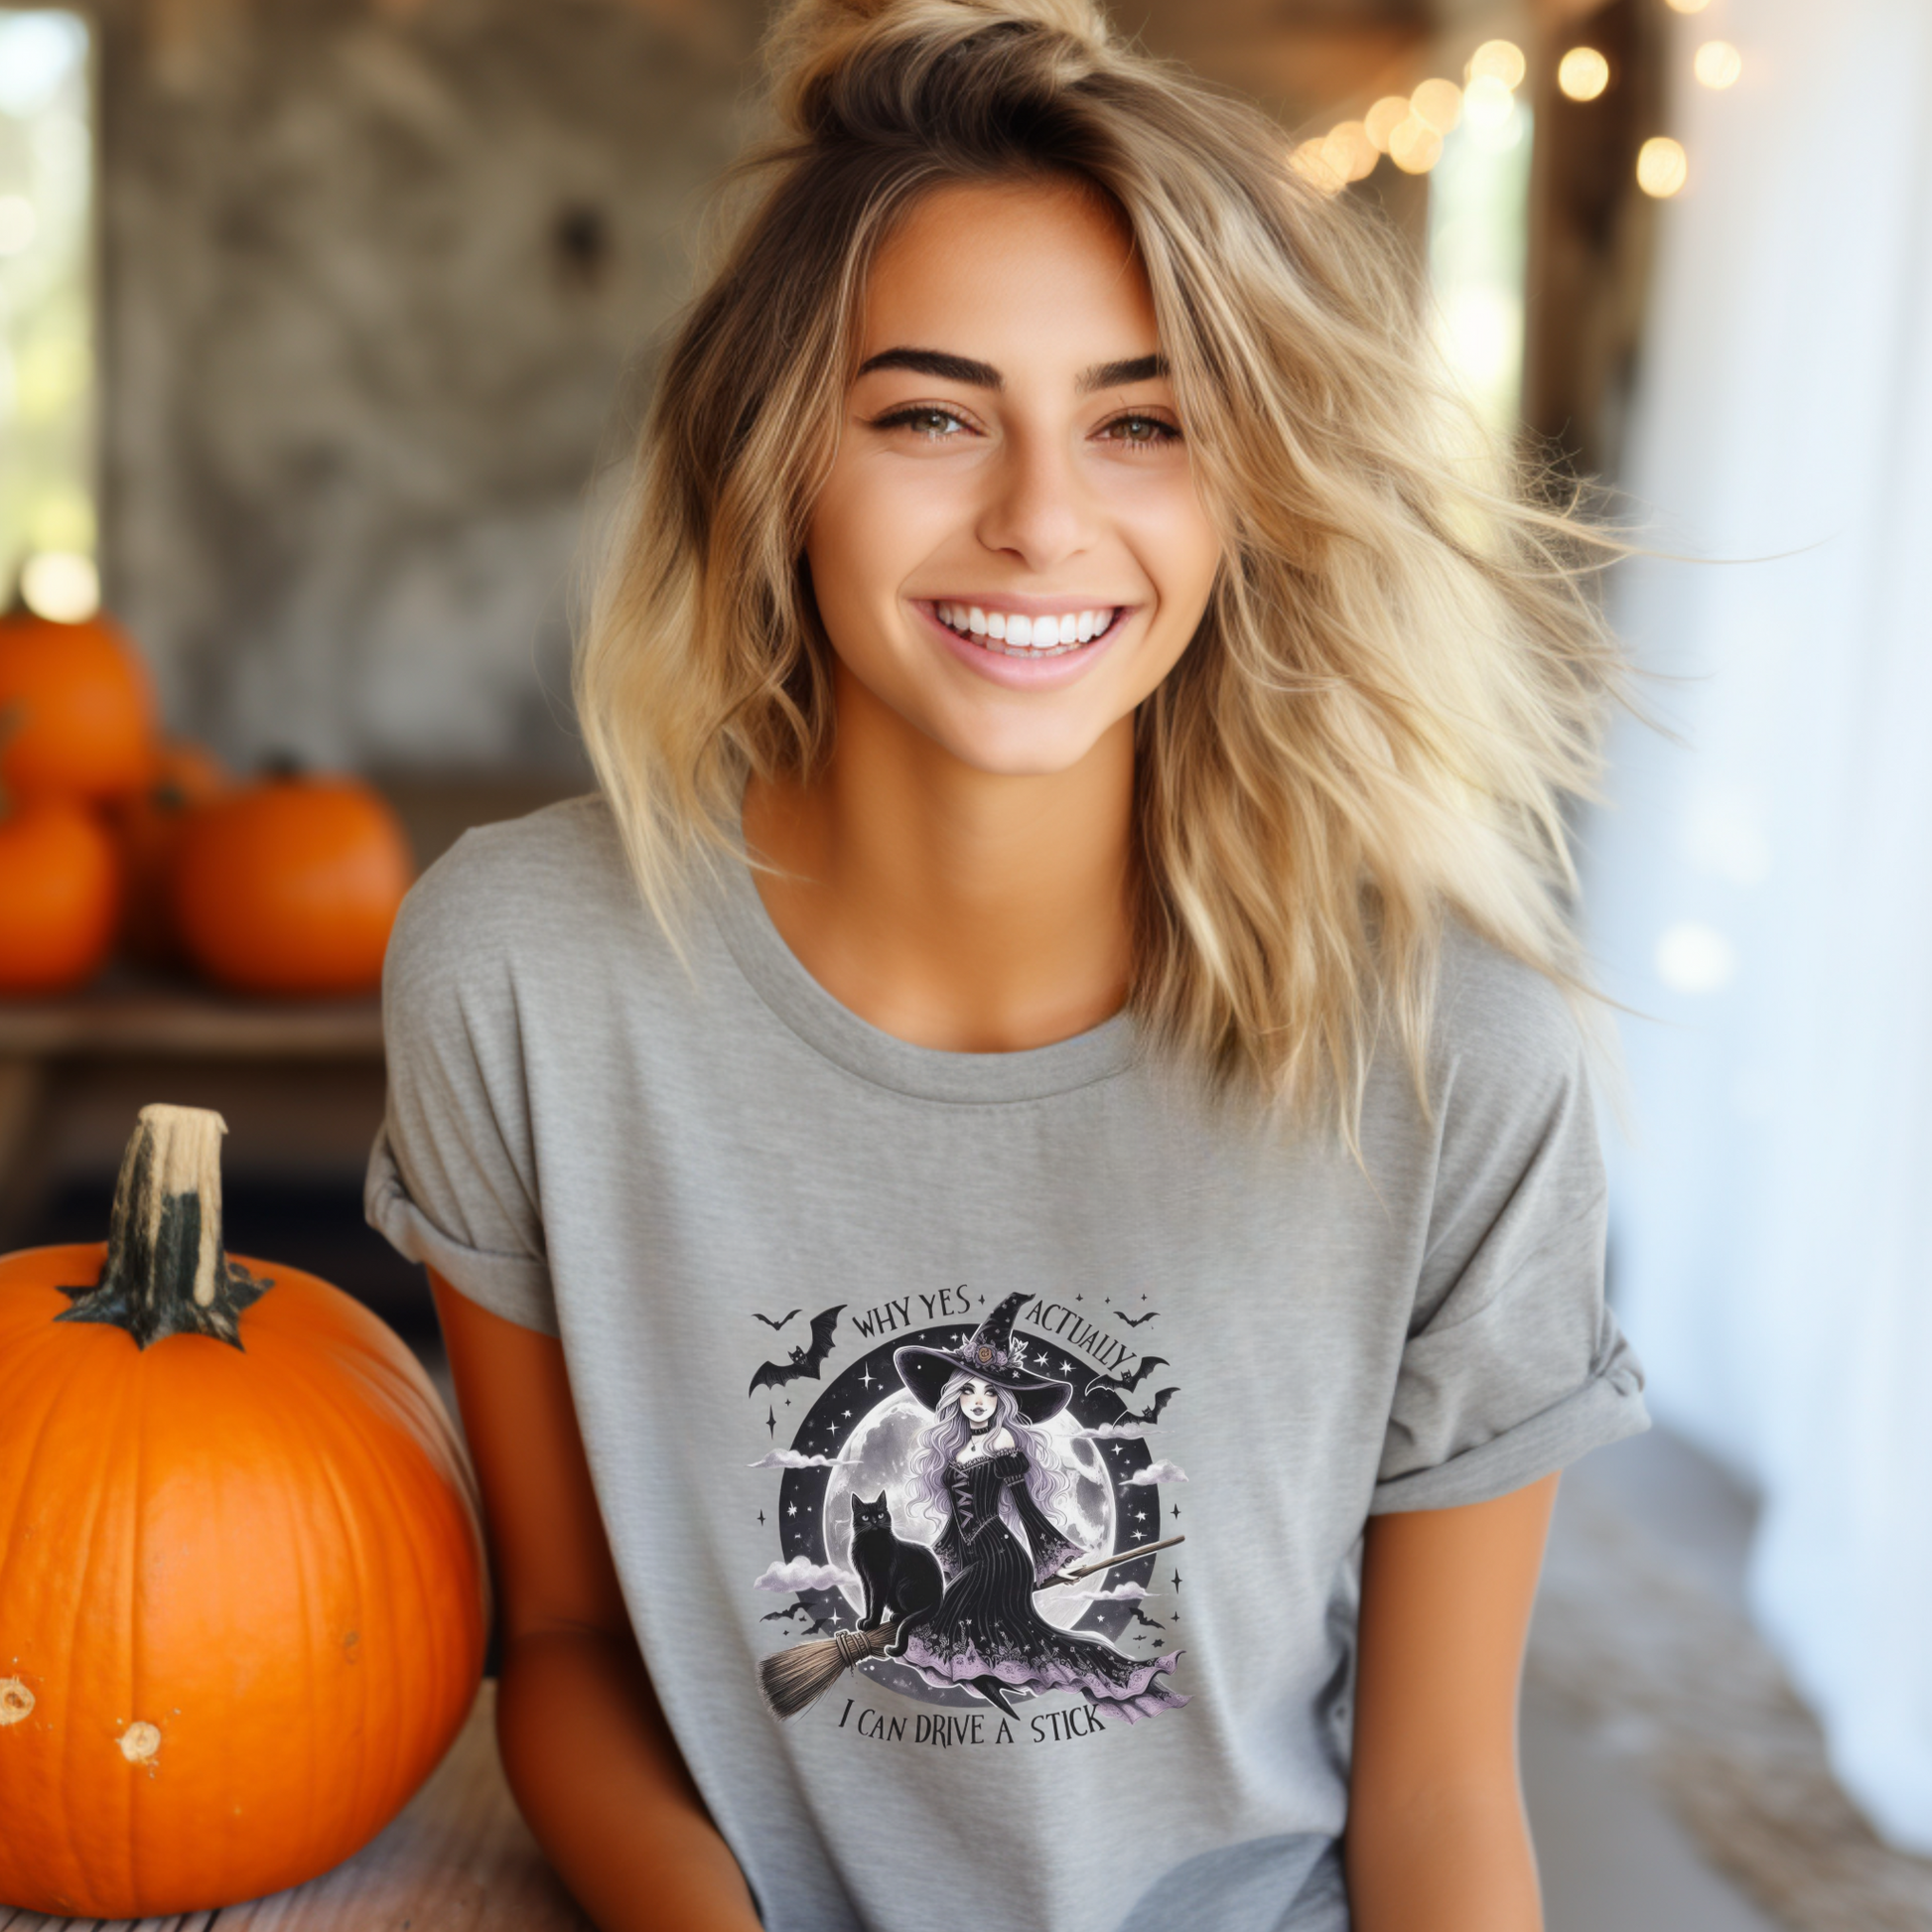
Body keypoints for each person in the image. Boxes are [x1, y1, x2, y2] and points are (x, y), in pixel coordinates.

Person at [363, 1, 1649, 1927]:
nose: (1043, 519)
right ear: (772, 456)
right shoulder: (524, 971)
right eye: (930, 412)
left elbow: (1446, 1797)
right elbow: (560, 1640)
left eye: (1140, 422)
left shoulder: (1455, 1055)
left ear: (1245, 488)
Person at [885, 1292, 1187, 1722]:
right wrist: (946, 1560)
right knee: (980, 1632)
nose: (977, 1400)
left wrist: (1050, 1564)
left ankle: (1106, 1674)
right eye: (967, 1389)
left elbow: (1025, 1507)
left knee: (951, 1628)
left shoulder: (1003, 1442)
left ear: (1003, 1399)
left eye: (990, 1392)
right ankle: (990, 1679)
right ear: (953, 1394)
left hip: (1001, 1558)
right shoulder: (954, 1447)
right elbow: (956, 1516)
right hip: (971, 1558)